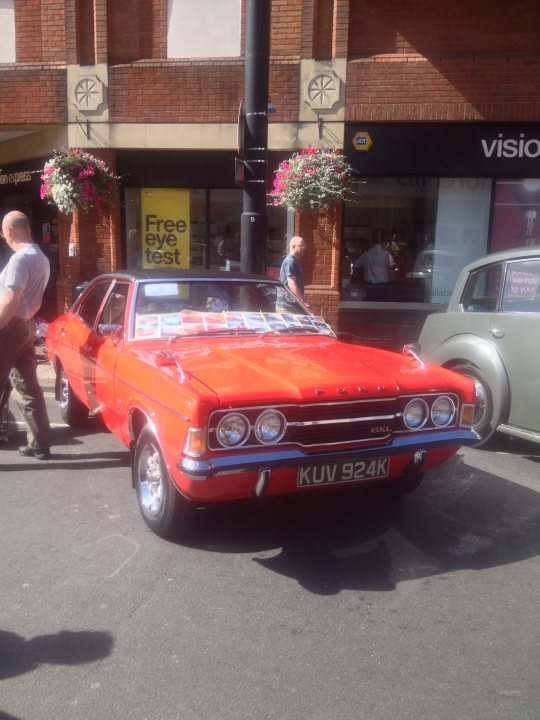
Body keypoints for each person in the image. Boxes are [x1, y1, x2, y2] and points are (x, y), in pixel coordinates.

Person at [0, 211, 52, 459]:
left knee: (24, 385)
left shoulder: (19, 259)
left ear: (9, 231)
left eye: (2, 232)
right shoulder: (41, 258)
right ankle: (40, 443)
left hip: (9, 328)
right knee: (27, 386)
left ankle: (38, 443)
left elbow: (10, 301)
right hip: (27, 327)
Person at [279, 235, 306, 301]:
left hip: (290, 303)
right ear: (294, 247)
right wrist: (303, 302)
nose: (304, 248)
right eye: (301, 245)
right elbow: (291, 283)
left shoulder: (294, 261)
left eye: (304, 246)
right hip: (287, 305)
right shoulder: (290, 261)